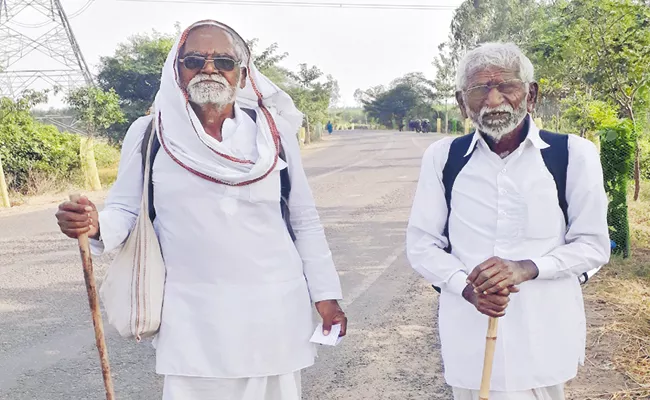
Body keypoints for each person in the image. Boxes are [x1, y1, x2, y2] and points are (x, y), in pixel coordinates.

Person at [55, 20, 347, 400]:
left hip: (274, 313)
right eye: (195, 59)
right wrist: (93, 225)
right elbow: (125, 212)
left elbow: (304, 221)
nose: (209, 68)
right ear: (177, 72)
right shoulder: (150, 133)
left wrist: (325, 296)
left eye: (223, 60)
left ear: (242, 76)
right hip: (193, 320)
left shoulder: (273, 134)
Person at [406, 42, 610, 400]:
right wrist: (464, 287)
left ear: (531, 94)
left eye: (507, 86)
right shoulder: (443, 158)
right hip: (468, 336)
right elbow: (422, 244)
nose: (494, 99)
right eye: (480, 89)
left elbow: (593, 245)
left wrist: (527, 267)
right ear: (461, 102)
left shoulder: (573, 154)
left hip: (543, 337)